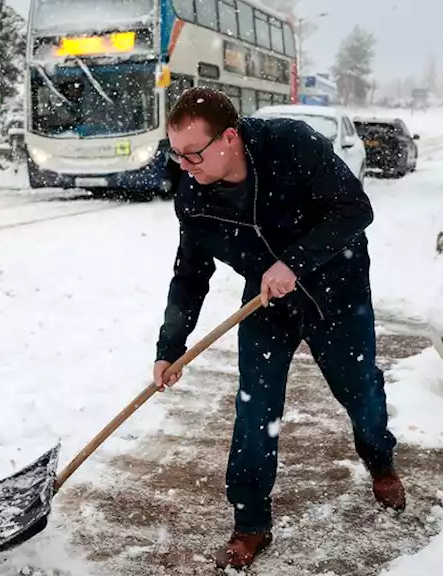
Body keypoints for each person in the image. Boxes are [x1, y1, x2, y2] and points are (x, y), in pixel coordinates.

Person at [153, 87, 404, 569]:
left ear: (229, 138)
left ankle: (380, 460)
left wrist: (296, 262)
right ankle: (250, 522)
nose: (184, 165)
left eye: (192, 153)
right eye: (176, 153)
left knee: (360, 392)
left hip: (337, 290)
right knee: (255, 407)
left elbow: (355, 210)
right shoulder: (194, 195)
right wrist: (170, 347)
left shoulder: (291, 145)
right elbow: (189, 275)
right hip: (267, 303)